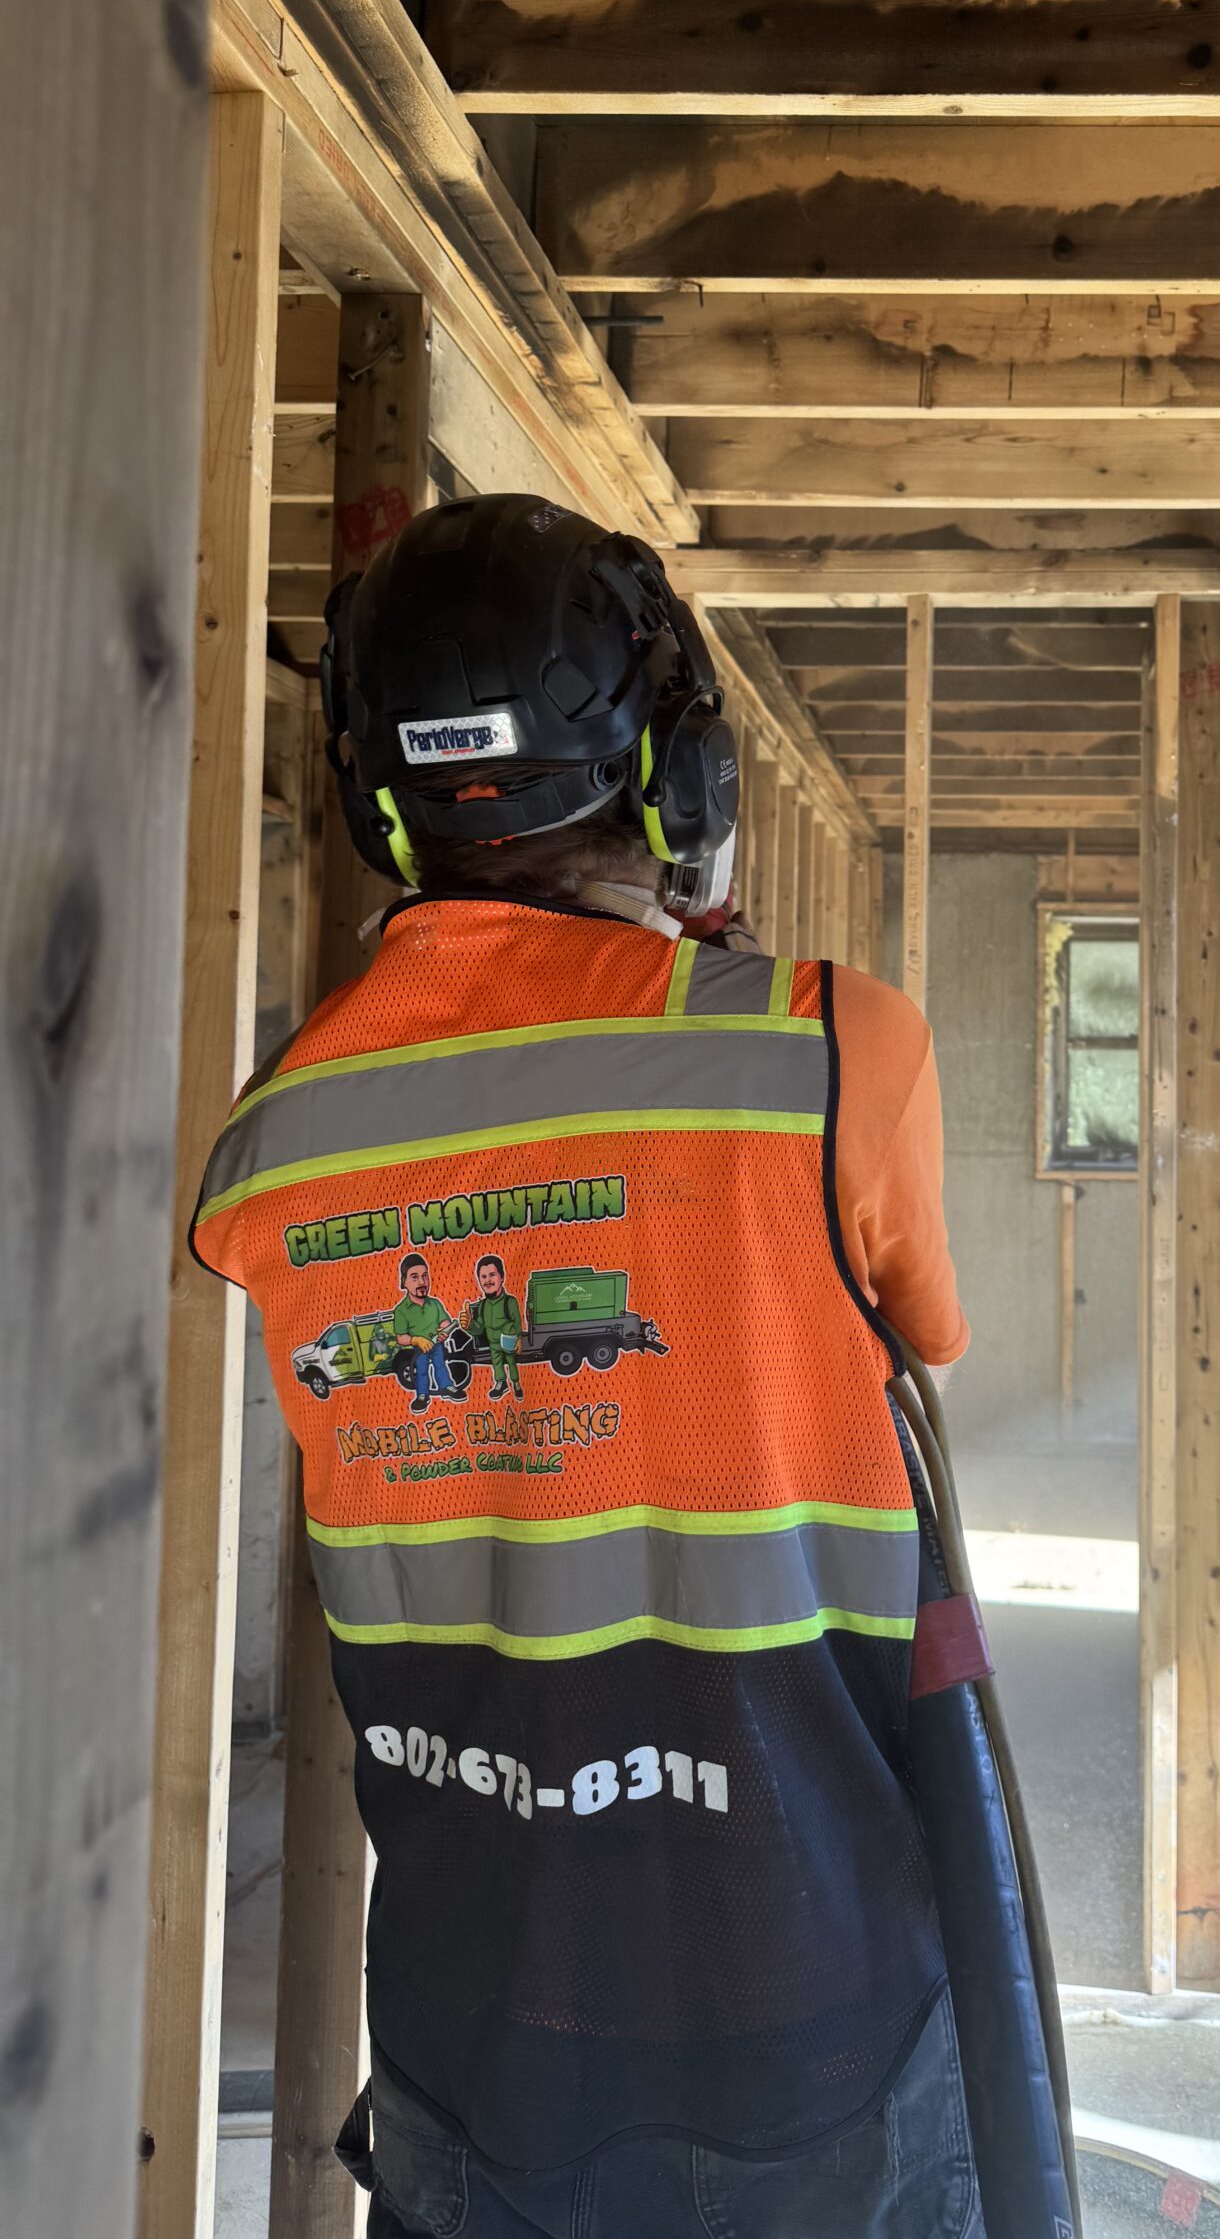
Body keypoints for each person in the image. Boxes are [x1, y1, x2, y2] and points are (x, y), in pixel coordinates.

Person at [192, 495, 975, 2239]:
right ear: (682, 773)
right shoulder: (825, 1054)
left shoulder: (278, 1150)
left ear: (375, 801)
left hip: (478, 2037)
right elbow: (920, 1337)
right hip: (811, 2001)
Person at [388, 1250, 463, 1413]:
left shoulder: (435, 1304)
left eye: (425, 1276)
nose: (422, 1281)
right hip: (420, 1349)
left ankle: (448, 1387)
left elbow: (445, 1321)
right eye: (414, 1277)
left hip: (437, 1345)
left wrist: (445, 1330)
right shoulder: (401, 1310)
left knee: (440, 1366)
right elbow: (401, 1338)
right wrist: (417, 1340)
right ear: (404, 1282)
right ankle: (422, 1396)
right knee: (421, 1371)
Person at [464, 1251, 524, 1401]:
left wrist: (518, 1339)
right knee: (496, 1363)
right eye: (483, 1277)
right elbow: (479, 1328)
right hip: (493, 1344)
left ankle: (516, 1384)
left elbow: (517, 1322)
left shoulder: (509, 1301)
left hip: (508, 1340)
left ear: (502, 1277)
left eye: (492, 1275)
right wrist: (469, 1325)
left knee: (511, 1362)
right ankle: (501, 1383)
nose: (488, 1280)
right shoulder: (483, 1305)